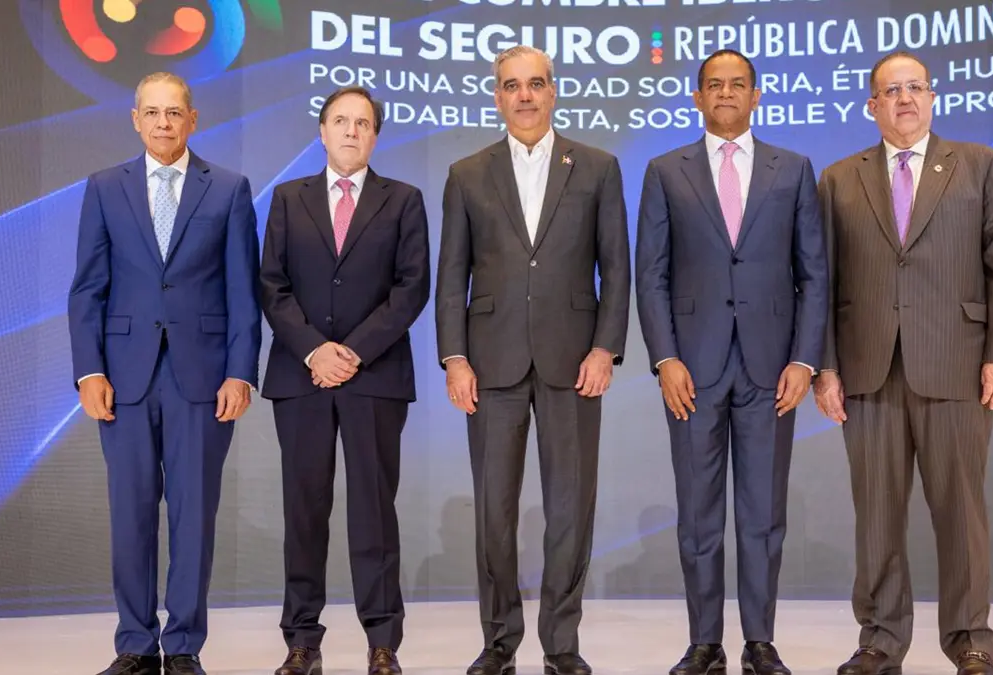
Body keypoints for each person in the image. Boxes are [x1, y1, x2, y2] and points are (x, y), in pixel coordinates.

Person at [814, 51, 993, 675]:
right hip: (868, 370)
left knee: (961, 512)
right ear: (871, 106)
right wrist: (825, 367)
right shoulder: (838, 179)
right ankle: (880, 639)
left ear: (932, 98)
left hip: (958, 365)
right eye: (891, 91)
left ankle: (970, 640)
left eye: (915, 88)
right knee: (877, 514)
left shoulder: (981, 165)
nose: (904, 99)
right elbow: (820, 280)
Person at [434, 45, 630, 675]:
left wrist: (605, 348)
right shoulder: (467, 173)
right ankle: (499, 641)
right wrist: (454, 357)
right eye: (512, 85)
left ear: (553, 92)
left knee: (570, 509)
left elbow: (616, 269)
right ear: (497, 96)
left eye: (536, 84)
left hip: (574, 363)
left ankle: (561, 644)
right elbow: (451, 275)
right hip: (489, 364)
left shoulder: (597, 167)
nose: (524, 95)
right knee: (494, 510)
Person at [635, 49, 827, 675]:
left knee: (764, 514)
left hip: (773, 369)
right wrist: (664, 357)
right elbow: (651, 274)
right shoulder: (665, 171)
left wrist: (805, 360)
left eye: (737, 84)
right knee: (698, 514)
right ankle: (704, 643)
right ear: (697, 97)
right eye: (713, 85)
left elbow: (814, 274)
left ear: (755, 95)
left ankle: (760, 641)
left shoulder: (793, 169)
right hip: (692, 369)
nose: (725, 93)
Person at [68, 72, 261, 675]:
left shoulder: (228, 189)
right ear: (135, 119)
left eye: (173, 112)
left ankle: (182, 647)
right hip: (123, 380)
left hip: (203, 379)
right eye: (151, 112)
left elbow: (243, 291)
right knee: (130, 516)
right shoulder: (105, 187)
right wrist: (89, 371)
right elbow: (87, 289)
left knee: (193, 516)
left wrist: (240, 373)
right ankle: (134, 645)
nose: (162, 123)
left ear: (192, 119)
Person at [259, 86, 430, 675]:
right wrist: (315, 350)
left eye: (362, 123)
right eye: (340, 121)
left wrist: (352, 352)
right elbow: (272, 286)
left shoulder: (403, 200)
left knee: (373, 512)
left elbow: (411, 288)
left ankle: (383, 642)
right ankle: (301, 642)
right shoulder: (288, 198)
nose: (351, 131)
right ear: (322, 131)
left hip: (373, 376)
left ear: (375, 135)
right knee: (304, 511)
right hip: (301, 375)